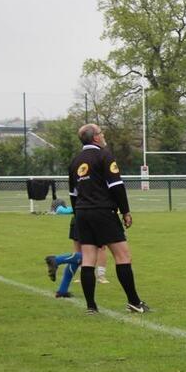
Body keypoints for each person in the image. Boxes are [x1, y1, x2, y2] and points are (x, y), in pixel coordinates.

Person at [67, 123, 149, 314]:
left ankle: (91, 307)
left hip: (82, 213)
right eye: (101, 133)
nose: (103, 136)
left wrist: (78, 215)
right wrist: (125, 211)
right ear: (95, 137)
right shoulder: (104, 155)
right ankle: (134, 302)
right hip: (103, 211)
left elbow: (73, 194)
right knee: (123, 256)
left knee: (88, 259)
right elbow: (116, 186)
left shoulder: (75, 161)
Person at [45, 215, 83, 299]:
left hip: (78, 217)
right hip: (90, 219)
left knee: (78, 257)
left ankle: (63, 290)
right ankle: (56, 260)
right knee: (88, 257)